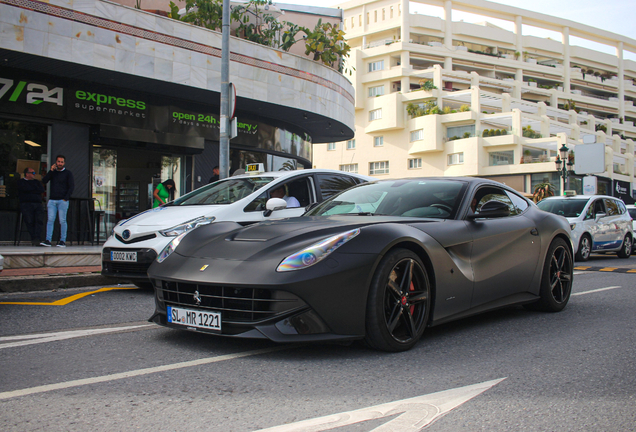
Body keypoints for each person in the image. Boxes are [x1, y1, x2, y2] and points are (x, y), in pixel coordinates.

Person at [41, 155, 74, 247]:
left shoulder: (68, 173)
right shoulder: (53, 173)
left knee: (62, 221)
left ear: (64, 163)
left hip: (62, 201)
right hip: (52, 200)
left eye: (61, 162)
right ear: (56, 162)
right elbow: (44, 180)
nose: (60, 163)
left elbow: (71, 186)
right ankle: (48, 240)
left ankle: (62, 240)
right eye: (58, 162)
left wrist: (65, 198)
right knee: (50, 220)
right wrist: (51, 171)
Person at [17, 167, 45, 246]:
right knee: (29, 221)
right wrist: (33, 190)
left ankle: (38, 238)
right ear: (27, 174)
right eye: (32, 173)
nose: (34, 174)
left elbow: (41, 190)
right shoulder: (21, 182)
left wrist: (31, 190)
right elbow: (24, 189)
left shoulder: (36, 182)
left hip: (37, 204)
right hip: (26, 204)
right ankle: (33, 237)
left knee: (39, 220)